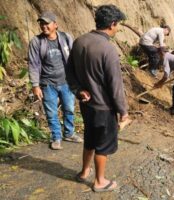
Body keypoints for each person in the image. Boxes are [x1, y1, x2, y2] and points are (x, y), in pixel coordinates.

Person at [66, 4, 128, 192]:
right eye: (118, 25)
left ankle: (84, 171)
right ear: (112, 23)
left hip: (87, 105)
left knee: (90, 138)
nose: (117, 29)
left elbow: (69, 71)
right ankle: (100, 181)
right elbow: (115, 85)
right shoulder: (107, 49)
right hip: (104, 107)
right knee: (103, 144)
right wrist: (123, 111)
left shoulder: (79, 41)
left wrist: (78, 90)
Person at [28, 11, 83, 150]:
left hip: (66, 82)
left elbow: (75, 57)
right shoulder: (36, 42)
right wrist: (35, 85)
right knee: (51, 113)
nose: (43, 26)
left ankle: (69, 133)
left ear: (55, 24)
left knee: (69, 109)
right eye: (41, 23)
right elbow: (33, 64)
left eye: (46, 23)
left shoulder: (66, 38)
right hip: (47, 84)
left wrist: (79, 78)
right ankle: (56, 137)